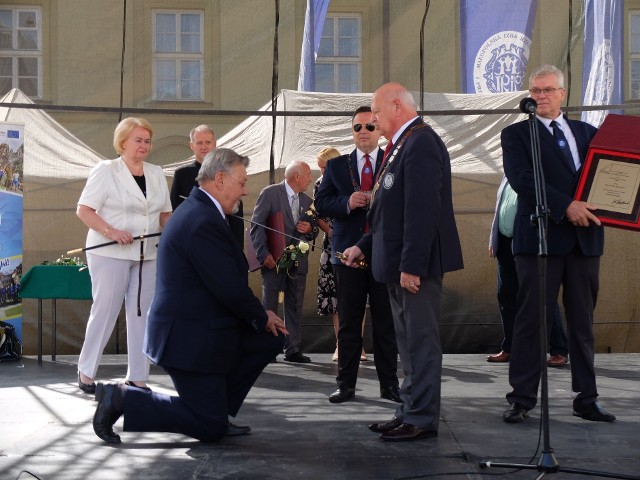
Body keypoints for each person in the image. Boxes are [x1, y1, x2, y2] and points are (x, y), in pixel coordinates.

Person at [91, 148, 288, 444]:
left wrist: (262, 319)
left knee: (271, 337)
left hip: (206, 329)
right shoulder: (201, 219)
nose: (245, 191)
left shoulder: (204, 211)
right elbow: (228, 287)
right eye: (242, 183)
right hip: (188, 340)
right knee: (210, 428)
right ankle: (121, 397)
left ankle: (217, 410)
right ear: (220, 180)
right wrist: (261, 315)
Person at [343, 83, 463, 441]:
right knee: (408, 344)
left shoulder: (421, 142)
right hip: (397, 264)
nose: (373, 119)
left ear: (398, 105)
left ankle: (422, 417)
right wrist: (364, 245)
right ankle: (409, 409)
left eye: (377, 112)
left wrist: (412, 265)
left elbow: (422, 210)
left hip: (414, 268)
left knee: (420, 343)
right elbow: (389, 211)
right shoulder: (401, 145)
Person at [501, 64, 615, 424]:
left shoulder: (589, 132)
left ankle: (587, 398)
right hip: (539, 239)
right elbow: (522, 179)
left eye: (548, 90)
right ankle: (521, 398)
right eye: (535, 91)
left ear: (563, 94)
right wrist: (566, 206)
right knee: (531, 322)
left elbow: (609, 176)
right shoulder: (517, 134)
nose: (541, 96)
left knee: (583, 323)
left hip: (585, 240)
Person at [76, 117, 172, 394]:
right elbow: (84, 210)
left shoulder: (156, 173)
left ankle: (138, 378)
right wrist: (111, 231)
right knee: (105, 310)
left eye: (147, 140)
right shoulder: (106, 170)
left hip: (147, 254)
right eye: (138, 140)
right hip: (109, 252)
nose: (144, 145)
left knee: (143, 314)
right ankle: (86, 372)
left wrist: (182, 225)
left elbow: (164, 215)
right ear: (123, 142)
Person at [316, 107, 401, 405]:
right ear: (352, 132)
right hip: (346, 254)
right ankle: (346, 385)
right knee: (350, 324)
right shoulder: (337, 166)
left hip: (383, 253)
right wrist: (346, 202)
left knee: (385, 322)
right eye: (357, 128)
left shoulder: (393, 162)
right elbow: (321, 203)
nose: (363, 131)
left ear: (379, 130)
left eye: (369, 126)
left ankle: (389, 385)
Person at [487, 176, 569, 367]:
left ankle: (559, 349)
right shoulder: (507, 177)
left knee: (541, 296)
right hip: (505, 243)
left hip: (527, 243)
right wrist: (494, 239)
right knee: (506, 296)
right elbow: (500, 209)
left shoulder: (536, 176)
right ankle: (510, 347)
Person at [250, 160, 318, 363]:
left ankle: (293, 349)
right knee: (269, 303)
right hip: (273, 260)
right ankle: (267, 348)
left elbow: (313, 230)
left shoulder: (307, 201)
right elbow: (257, 225)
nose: (310, 179)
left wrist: (310, 230)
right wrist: (263, 255)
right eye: (307, 174)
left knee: (295, 305)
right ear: (296, 176)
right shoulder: (270, 193)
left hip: (298, 262)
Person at [170, 124, 244, 247]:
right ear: (191, 146)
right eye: (199, 143)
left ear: (214, 145)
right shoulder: (181, 174)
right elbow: (175, 212)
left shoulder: (229, 173)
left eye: (208, 142)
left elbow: (236, 216)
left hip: (220, 241)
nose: (204, 147)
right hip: (190, 241)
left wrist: (238, 249)